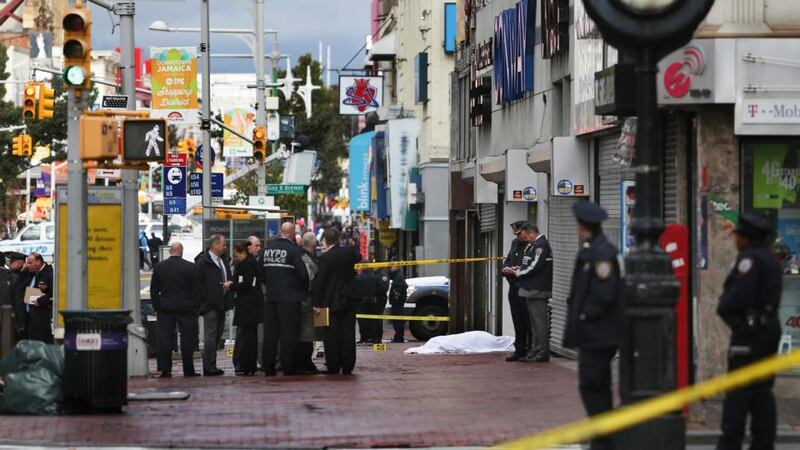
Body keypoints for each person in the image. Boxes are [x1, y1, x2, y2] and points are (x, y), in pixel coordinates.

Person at [716, 214, 783, 450]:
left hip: (749, 334)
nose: (735, 241)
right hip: (768, 331)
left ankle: (730, 444)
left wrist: (737, 324)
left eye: (738, 236)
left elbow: (731, 301)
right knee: (762, 391)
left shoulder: (750, 260)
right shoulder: (771, 260)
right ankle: (763, 444)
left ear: (745, 238)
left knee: (738, 394)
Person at [563, 202, 624, 450]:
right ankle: (602, 437)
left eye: (578, 224)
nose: (576, 228)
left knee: (593, 384)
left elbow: (604, 294)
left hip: (597, 334)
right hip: (594, 334)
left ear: (583, 225)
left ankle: (603, 440)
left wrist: (584, 318)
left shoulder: (601, 253)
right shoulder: (593, 249)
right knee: (594, 384)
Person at [312, 227, 362, 375]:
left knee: (331, 334)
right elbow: (358, 256)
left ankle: (333, 364)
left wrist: (317, 302)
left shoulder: (325, 258)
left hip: (331, 301)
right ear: (339, 239)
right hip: (350, 298)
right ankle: (348, 365)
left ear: (326, 241)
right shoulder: (348, 253)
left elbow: (320, 282)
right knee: (348, 333)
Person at [262, 222, 309, 376]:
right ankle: (288, 367)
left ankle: (268, 367)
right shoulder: (294, 251)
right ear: (292, 233)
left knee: (270, 334)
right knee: (289, 334)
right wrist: (301, 291)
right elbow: (303, 275)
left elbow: (260, 272)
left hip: (271, 297)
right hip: (290, 299)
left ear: (281, 232)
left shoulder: (267, 250)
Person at [150, 242, 199, 378]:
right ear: (181, 252)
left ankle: (165, 369)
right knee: (187, 340)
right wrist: (195, 306)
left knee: (164, 340)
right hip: (186, 309)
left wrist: (157, 306)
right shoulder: (191, 267)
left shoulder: (160, 267)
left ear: (170, 251)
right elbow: (197, 290)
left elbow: (154, 290)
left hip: (166, 309)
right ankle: (188, 369)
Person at [512, 223, 553, 363]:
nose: (526, 239)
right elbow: (530, 264)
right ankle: (535, 350)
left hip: (537, 289)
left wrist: (517, 272)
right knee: (534, 323)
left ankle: (542, 352)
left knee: (539, 323)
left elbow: (535, 266)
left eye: (526, 236)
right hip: (531, 289)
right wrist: (520, 268)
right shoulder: (535, 245)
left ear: (531, 233)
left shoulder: (540, 246)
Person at [194, 234, 233, 376]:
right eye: (223, 244)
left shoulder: (223, 260)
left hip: (222, 303)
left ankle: (212, 364)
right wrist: (206, 299)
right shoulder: (203, 262)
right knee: (210, 336)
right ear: (215, 245)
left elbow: (227, 276)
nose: (225, 247)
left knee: (217, 335)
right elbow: (197, 284)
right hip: (210, 304)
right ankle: (209, 367)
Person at [230, 241, 263, 376]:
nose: (235, 258)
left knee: (247, 337)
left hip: (248, 306)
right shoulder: (250, 263)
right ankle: (248, 365)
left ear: (242, 253)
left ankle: (247, 365)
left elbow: (245, 284)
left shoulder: (247, 265)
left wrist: (232, 286)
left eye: (236, 255)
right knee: (249, 336)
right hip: (251, 305)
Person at [501, 220, 531, 362]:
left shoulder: (532, 245)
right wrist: (506, 268)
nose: (518, 236)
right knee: (517, 319)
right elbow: (508, 260)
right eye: (516, 234)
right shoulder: (515, 243)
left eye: (519, 233)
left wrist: (517, 269)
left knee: (528, 320)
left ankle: (530, 349)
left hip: (525, 287)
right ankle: (519, 349)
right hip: (514, 287)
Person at [298, 231, 320, 374]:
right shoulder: (306, 259)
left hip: (302, 300)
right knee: (306, 334)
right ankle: (304, 363)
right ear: (313, 245)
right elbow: (310, 280)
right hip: (306, 302)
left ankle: (305, 362)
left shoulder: (301, 256)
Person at [23, 252, 54, 343]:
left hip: (41, 316)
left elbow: (54, 292)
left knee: (41, 341)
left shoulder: (48, 273)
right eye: (27, 263)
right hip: (30, 315)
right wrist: (23, 270)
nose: (28, 265)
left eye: (30, 263)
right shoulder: (31, 273)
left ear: (39, 262)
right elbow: (21, 285)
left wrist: (41, 301)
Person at [356, 268, 385, 344]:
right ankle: (374, 338)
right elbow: (381, 289)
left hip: (361, 301)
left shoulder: (359, 278)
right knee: (373, 320)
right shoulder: (375, 277)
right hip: (373, 301)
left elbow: (356, 290)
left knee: (362, 321)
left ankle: (364, 338)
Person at [6, 252, 29, 341]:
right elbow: (18, 300)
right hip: (14, 316)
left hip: (14, 316)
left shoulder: (17, 276)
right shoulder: (14, 276)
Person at [387, 264, 408, 343]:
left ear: (397, 267)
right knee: (397, 320)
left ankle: (398, 337)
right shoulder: (397, 275)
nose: (390, 268)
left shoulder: (399, 276)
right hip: (397, 301)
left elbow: (404, 285)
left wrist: (397, 294)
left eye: (392, 266)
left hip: (397, 302)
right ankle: (398, 336)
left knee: (397, 320)